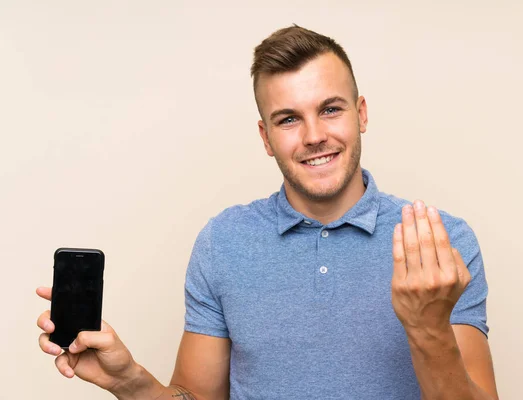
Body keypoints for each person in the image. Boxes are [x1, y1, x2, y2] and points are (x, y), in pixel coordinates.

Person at [36, 25, 499, 400]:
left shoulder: (441, 243)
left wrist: (426, 327)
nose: (315, 135)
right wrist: (130, 382)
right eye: (289, 119)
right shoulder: (224, 241)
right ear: (265, 137)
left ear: (361, 114)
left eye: (330, 109)